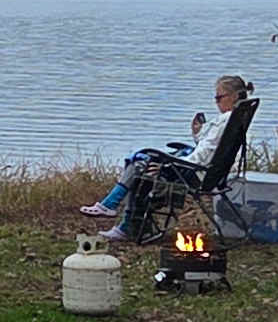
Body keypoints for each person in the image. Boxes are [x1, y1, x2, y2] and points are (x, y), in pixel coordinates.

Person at [81, 74, 256, 227]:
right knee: (146, 163)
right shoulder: (236, 118)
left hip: (196, 175)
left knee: (142, 162)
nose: (216, 102)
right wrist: (197, 135)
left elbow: (200, 156)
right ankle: (115, 213)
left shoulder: (223, 121)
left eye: (219, 97)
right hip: (213, 174)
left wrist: (168, 165)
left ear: (233, 97)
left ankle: (115, 212)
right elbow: (210, 149)